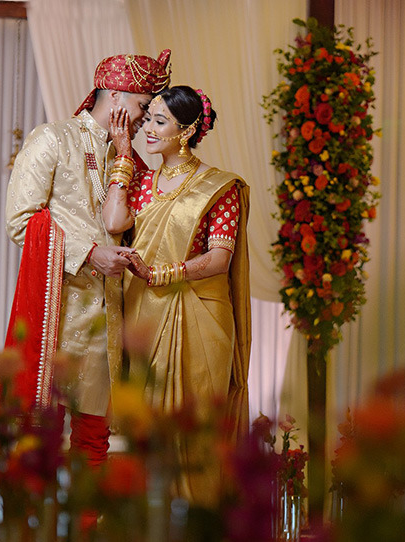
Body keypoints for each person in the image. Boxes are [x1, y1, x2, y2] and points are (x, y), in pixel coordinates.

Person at [3, 49, 171, 468]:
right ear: (115, 98)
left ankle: (87, 530)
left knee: (94, 440)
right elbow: (21, 222)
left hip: (110, 319)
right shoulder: (52, 139)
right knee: (40, 439)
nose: (145, 121)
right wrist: (92, 255)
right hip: (56, 318)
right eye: (142, 108)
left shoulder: (126, 156)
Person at [102, 85, 251, 504]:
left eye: (158, 121)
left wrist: (161, 273)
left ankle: (201, 519)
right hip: (144, 316)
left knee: (197, 425)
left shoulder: (219, 187)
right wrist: (123, 156)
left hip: (201, 317)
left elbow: (220, 258)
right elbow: (115, 221)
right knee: (147, 425)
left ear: (185, 132)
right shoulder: (142, 181)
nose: (145, 127)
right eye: (147, 117)